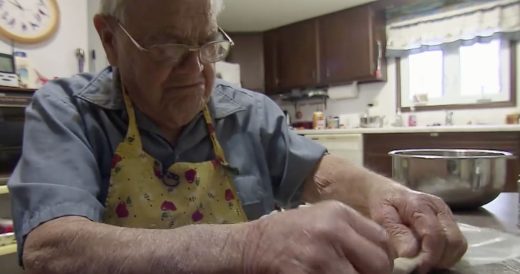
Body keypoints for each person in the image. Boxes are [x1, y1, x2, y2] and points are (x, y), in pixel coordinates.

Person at [7, 0, 467, 273]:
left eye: (206, 44)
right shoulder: (67, 111)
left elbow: (322, 174)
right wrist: (249, 245)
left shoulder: (248, 111)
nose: (196, 70)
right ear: (110, 41)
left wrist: (389, 194)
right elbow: (51, 247)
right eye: (168, 47)